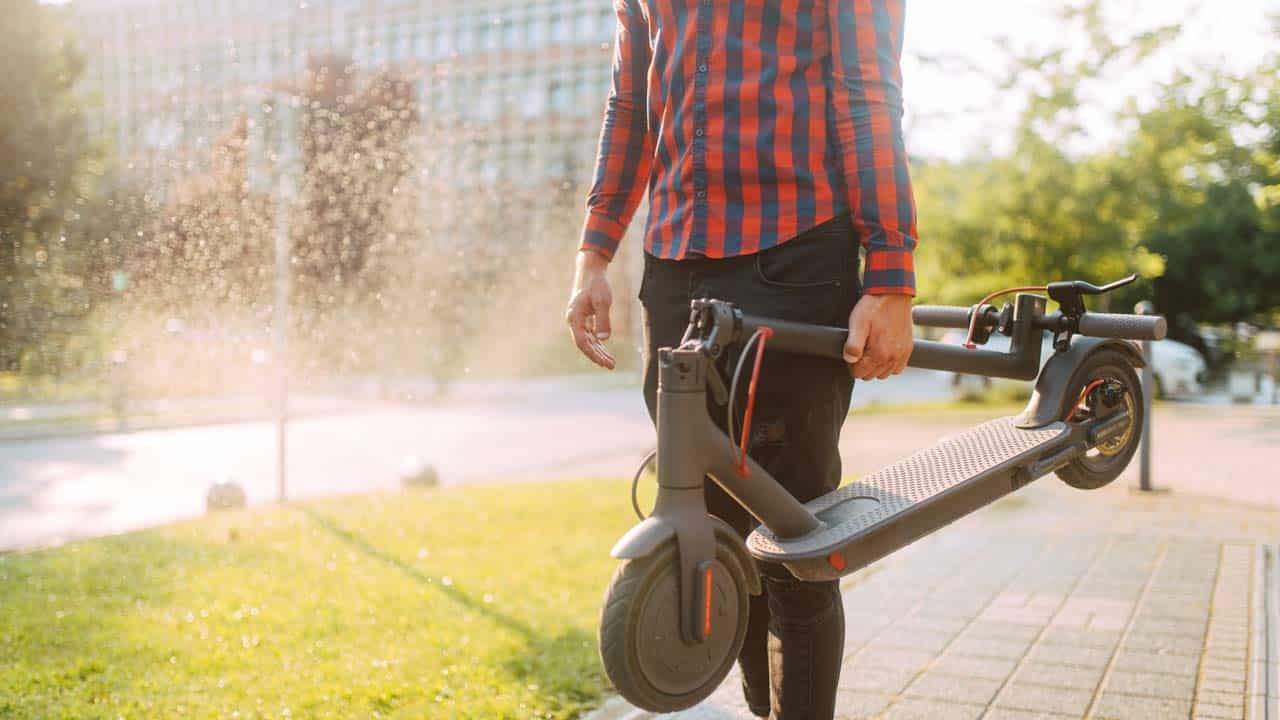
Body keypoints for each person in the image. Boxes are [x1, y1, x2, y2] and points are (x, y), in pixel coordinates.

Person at [565, 1, 918, 717]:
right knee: (720, 522)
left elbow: (867, 90)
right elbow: (630, 106)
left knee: (797, 537)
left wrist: (890, 277)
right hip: (673, 265)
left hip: (796, 252)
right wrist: (594, 254)